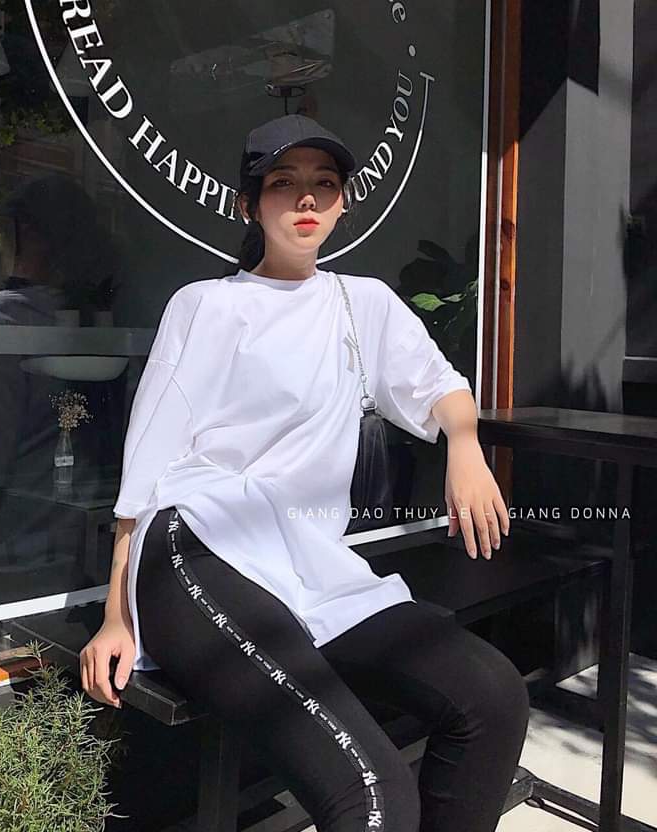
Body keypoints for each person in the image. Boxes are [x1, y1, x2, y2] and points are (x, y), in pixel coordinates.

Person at [80, 114, 529, 832]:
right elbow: (148, 467)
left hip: (310, 565)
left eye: (324, 183)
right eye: (284, 183)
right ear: (249, 204)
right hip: (197, 550)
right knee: (375, 796)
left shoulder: (362, 304)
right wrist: (115, 613)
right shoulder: (207, 305)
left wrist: (466, 445)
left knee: (494, 698)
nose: (307, 198)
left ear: (344, 203)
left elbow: (439, 387)